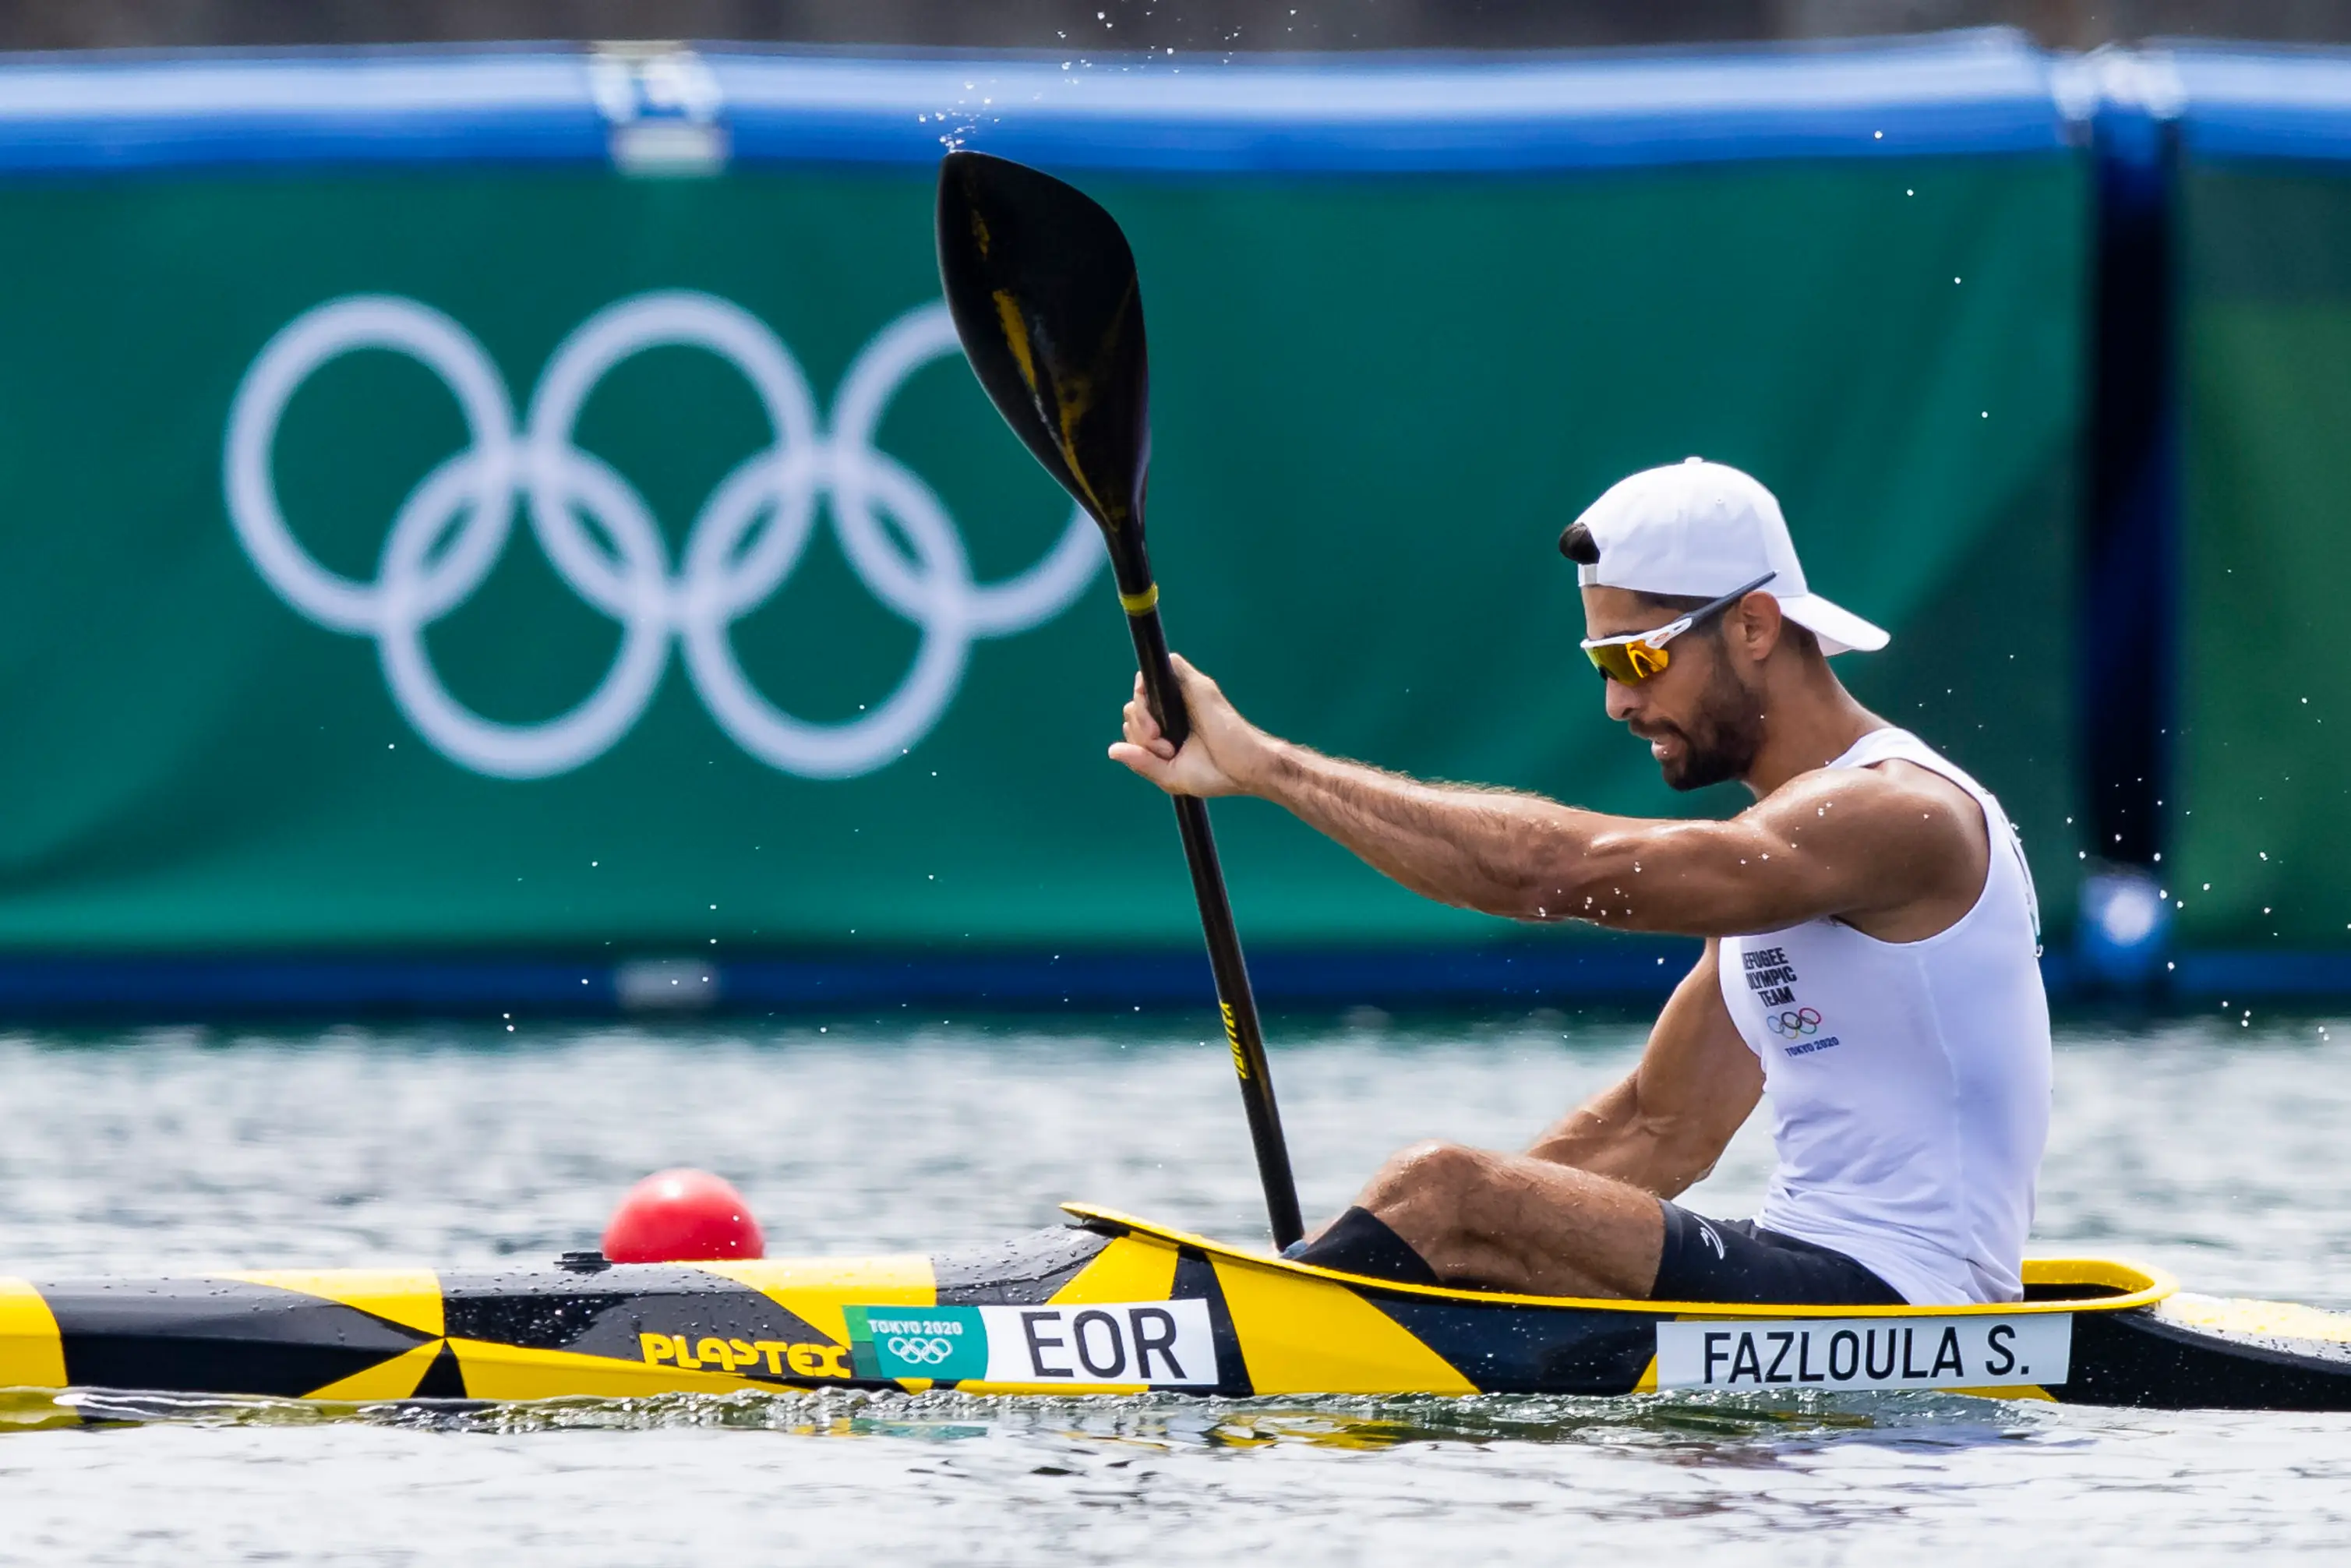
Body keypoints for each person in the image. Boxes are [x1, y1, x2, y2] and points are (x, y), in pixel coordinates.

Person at [1109, 457, 2050, 1307]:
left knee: (1441, 1182)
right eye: (1601, 663)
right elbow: (1658, 1127)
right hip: (1812, 1277)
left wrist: (1269, 768)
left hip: (1915, 1301)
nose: (1617, 701)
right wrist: (1430, 1250)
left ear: (1753, 624)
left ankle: (1239, 1324)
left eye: (1636, 655)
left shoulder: (1898, 815)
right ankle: (1283, 1307)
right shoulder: (1777, 865)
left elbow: (1548, 872)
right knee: (1444, 1208)